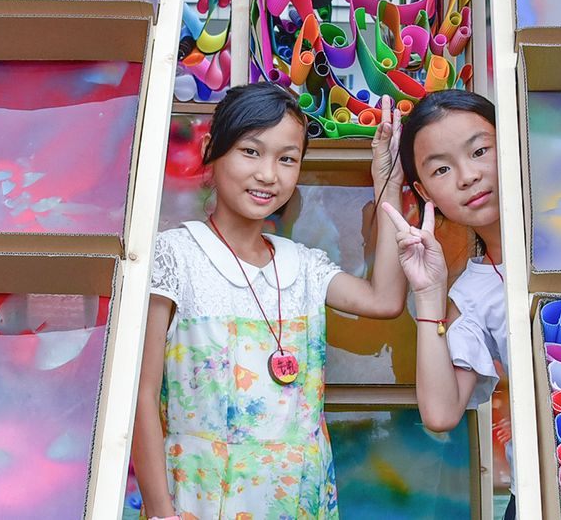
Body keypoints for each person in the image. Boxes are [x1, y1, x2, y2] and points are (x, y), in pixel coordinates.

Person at [133, 83, 408, 519]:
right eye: (251, 151)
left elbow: (384, 299)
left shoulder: (304, 265)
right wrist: (161, 510)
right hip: (204, 496)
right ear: (210, 149)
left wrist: (387, 186)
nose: (268, 174)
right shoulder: (174, 255)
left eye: (287, 159)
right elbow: (142, 395)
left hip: (297, 495)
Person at [373, 89, 514, 518]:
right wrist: (429, 293)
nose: (467, 176)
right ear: (424, 192)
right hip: (554, 486)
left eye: (480, 150)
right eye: (442, 169)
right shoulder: (470, 292)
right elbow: (440, 411)